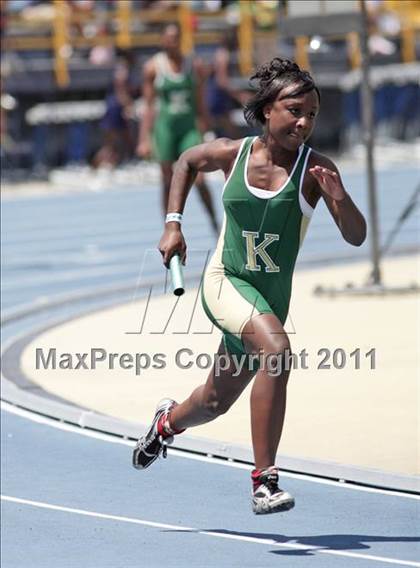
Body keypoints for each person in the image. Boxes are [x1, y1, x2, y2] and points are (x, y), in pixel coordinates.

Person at [132, 58, 367, 515]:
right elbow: (185, 161)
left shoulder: (316, 171)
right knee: (277, 352)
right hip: (227, 284)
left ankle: (166, 424)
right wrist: (173, 225)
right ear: (265, 111)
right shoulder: (232, 155)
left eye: (313, 114)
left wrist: (340, 198)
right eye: (295, 110)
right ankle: (265, 481)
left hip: (269, 299)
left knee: (215, 401)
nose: (304, 122)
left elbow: (356, 235)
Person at [137, 23, 219, 234]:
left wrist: (206, 131)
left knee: (199, 178)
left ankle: (214, 222)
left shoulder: (194, 65)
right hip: (165, 129)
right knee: (167, 181)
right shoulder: (153, 67)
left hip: (188, 128)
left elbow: (201, 103)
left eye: (176, 37)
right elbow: (148, 106)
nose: (172, 42)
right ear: (162, 40)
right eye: (168, 37)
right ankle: (170, 229)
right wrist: (144, 139)